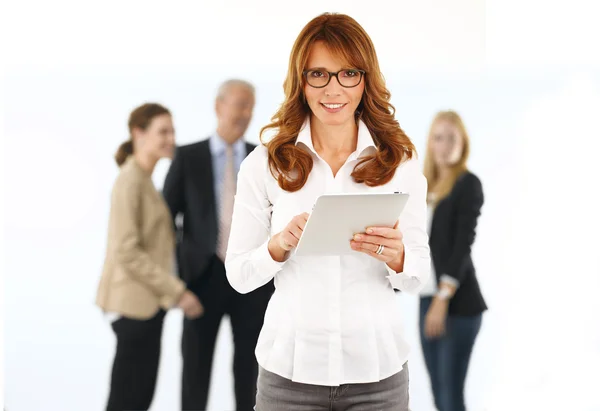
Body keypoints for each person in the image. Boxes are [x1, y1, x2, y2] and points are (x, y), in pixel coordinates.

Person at [225, 13, 431, 411]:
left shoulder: (399, 163)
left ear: (365, 79)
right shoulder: (264, 164)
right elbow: (239, 276)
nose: (333, 89)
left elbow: (417, 275)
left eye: (347, 74)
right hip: (289, 377)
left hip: (378, 377)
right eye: (318, 74)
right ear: (300, 80)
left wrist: (399, 258)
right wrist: (279, 244)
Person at [162, 80, 274, 411]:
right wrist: (179, 279)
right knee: (195, 370)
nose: (245, 113)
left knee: (250, 372)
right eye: (239, 104)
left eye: (250, 106)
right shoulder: (187, 157)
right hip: (201, 278)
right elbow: (165, 219)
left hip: (251, 281)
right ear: (218, 106)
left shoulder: (262, 158)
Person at [96, 103, 203, 411]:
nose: (171, 138)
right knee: (128, 400)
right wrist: (177, 291)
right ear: (138, 134)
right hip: (134, 306)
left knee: (138, 398)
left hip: (147, 305)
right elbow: (126, 250)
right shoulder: (130, 180)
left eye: (172, 131)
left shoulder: (144, 180)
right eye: (163, 131)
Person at [419, 110, 487, 411]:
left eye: (451, 138)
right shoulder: (423, 188)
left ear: (463, 144)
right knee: (437, 392)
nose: (444, 145)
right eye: (438, 137)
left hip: (456, 303)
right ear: (430, 143)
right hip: (426, 299)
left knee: (450, 395)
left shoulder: (467, 184)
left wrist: (442, 298)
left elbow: (463, 246)